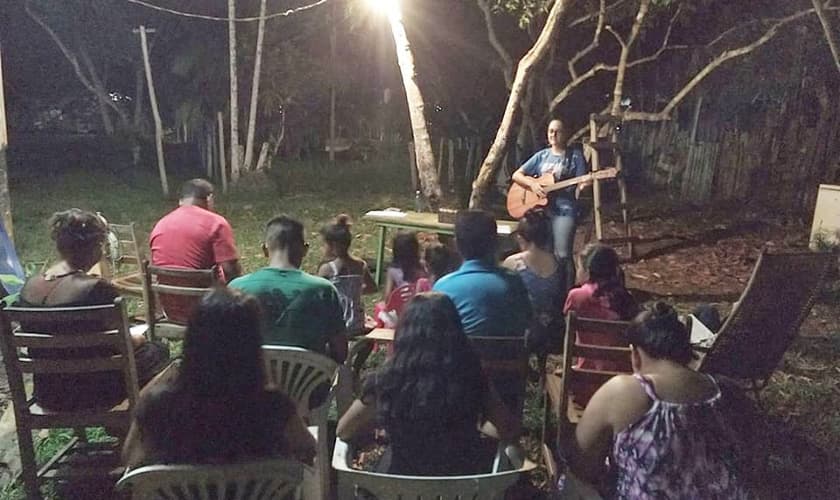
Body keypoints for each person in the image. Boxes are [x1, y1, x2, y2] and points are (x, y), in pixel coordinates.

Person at [569, 302, 749, 499]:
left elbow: (581, 466)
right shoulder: (728, 391)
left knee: (570, 484)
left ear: (635, 355)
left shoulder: (625, 391)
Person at [122, 288, 316, 467]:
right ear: (252, 344)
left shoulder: (158, 405)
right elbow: (307, 447)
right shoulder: (273, 405)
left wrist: (166, 375)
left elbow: (130, 458)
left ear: (193, 340)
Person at [337, 293, 521, 476]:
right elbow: (507, 428)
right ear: (455, 331)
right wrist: (475, 424)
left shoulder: (387, 380)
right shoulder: (472, 376)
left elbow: (344, 430)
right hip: (462, 485)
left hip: (398, 485)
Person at [18, 209, 170, 411]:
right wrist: (140, 338)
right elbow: (123, 343)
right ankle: (135, 423)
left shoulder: (29, 287)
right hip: (94, 391)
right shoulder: (95, 289)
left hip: (49, 392)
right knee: (159, 351)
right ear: (94, 246)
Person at [230, 215, 347, 363]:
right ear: (305, 250)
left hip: (250, 382)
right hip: (308, 383)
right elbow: (341, 352)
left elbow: (223, 344)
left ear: (265, 250)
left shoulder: (237, 288)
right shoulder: (324, 290)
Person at [150, 179, 242, 322]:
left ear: (181, 201)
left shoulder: (160, 225)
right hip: (207, 311)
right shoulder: (216, 223)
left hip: (169, 311)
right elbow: (231, 272)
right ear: (210, 198)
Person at [511, 118, 589, 283]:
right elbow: (517, 175)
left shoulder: (575, 156)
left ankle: (566, 292)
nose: (553, 134)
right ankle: (548, 287)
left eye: (557, 131)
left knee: (562, 254)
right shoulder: (542, 156)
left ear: (565, 133)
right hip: (541, 212)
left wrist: (584, 185)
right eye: (551, 131)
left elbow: (582, 182)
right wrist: (532, 184)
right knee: (543, 251)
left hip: (564, 209)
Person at [433, 210, 532, 338]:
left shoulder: (442, 288)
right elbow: (528, 323)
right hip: (509, 357)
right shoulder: (514, 283)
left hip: (461, 357)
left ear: (456, 244)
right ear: (496, 242)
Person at [503, 208, 567, 353]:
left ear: (520, 238)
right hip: (553, 330)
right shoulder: (558, 263)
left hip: (524, 330)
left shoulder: (513, 262)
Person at [317, 214, 377, 337]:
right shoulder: (360, 265)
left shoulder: (327, 269)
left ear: (332, 245)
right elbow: (372, 288)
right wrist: (353, 291)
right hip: (356, 323)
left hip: (336, 324)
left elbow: (317, 294)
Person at [382, 231, 428, 300]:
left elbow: (387, 296)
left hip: (400, 306)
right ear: (416, 249)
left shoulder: (392, 271)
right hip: (420, 304)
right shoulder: (423, 266)